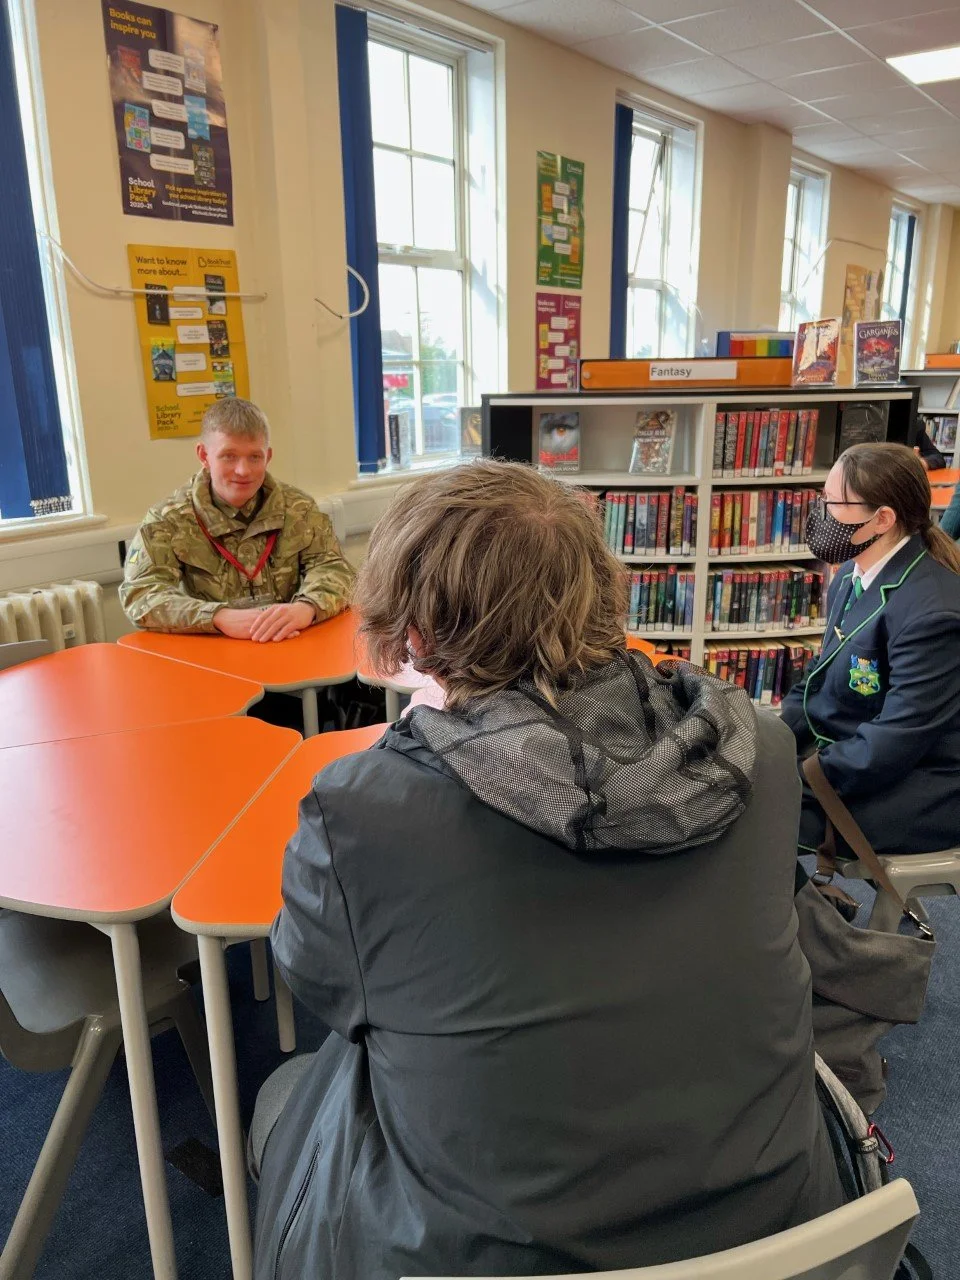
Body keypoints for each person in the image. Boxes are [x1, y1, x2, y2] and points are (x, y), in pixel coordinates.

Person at [252, 460, 842, 1280]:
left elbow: (318, 983)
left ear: (415, 637)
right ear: (604, 592)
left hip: (490, 1258)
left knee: (288, 1097)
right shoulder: (759, 749)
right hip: (783, 1234)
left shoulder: (364, 808)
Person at [781, 442, 960, 856]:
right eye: (821, 498)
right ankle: (810, 913)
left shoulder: (934, 614)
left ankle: (814, 919)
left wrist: (794, 775)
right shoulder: (850, 577)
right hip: (854, 756)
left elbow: (894, 742)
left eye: (834, 503)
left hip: (921, 788)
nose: (821, 514)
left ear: (882, 519)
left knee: (753, 813)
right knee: (739, 796)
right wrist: (765, 740)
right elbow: (815, 681)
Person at [120, 397, 353, 640]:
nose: (243, 470)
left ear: (268, 456)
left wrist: (308, 607)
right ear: (203, 455)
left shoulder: (298, 508)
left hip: (288, 640)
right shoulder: (169, 519)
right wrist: (216, 616)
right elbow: (141, 594)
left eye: (255, 457)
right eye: (229, 456)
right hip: (214, 651)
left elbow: (336, 570)